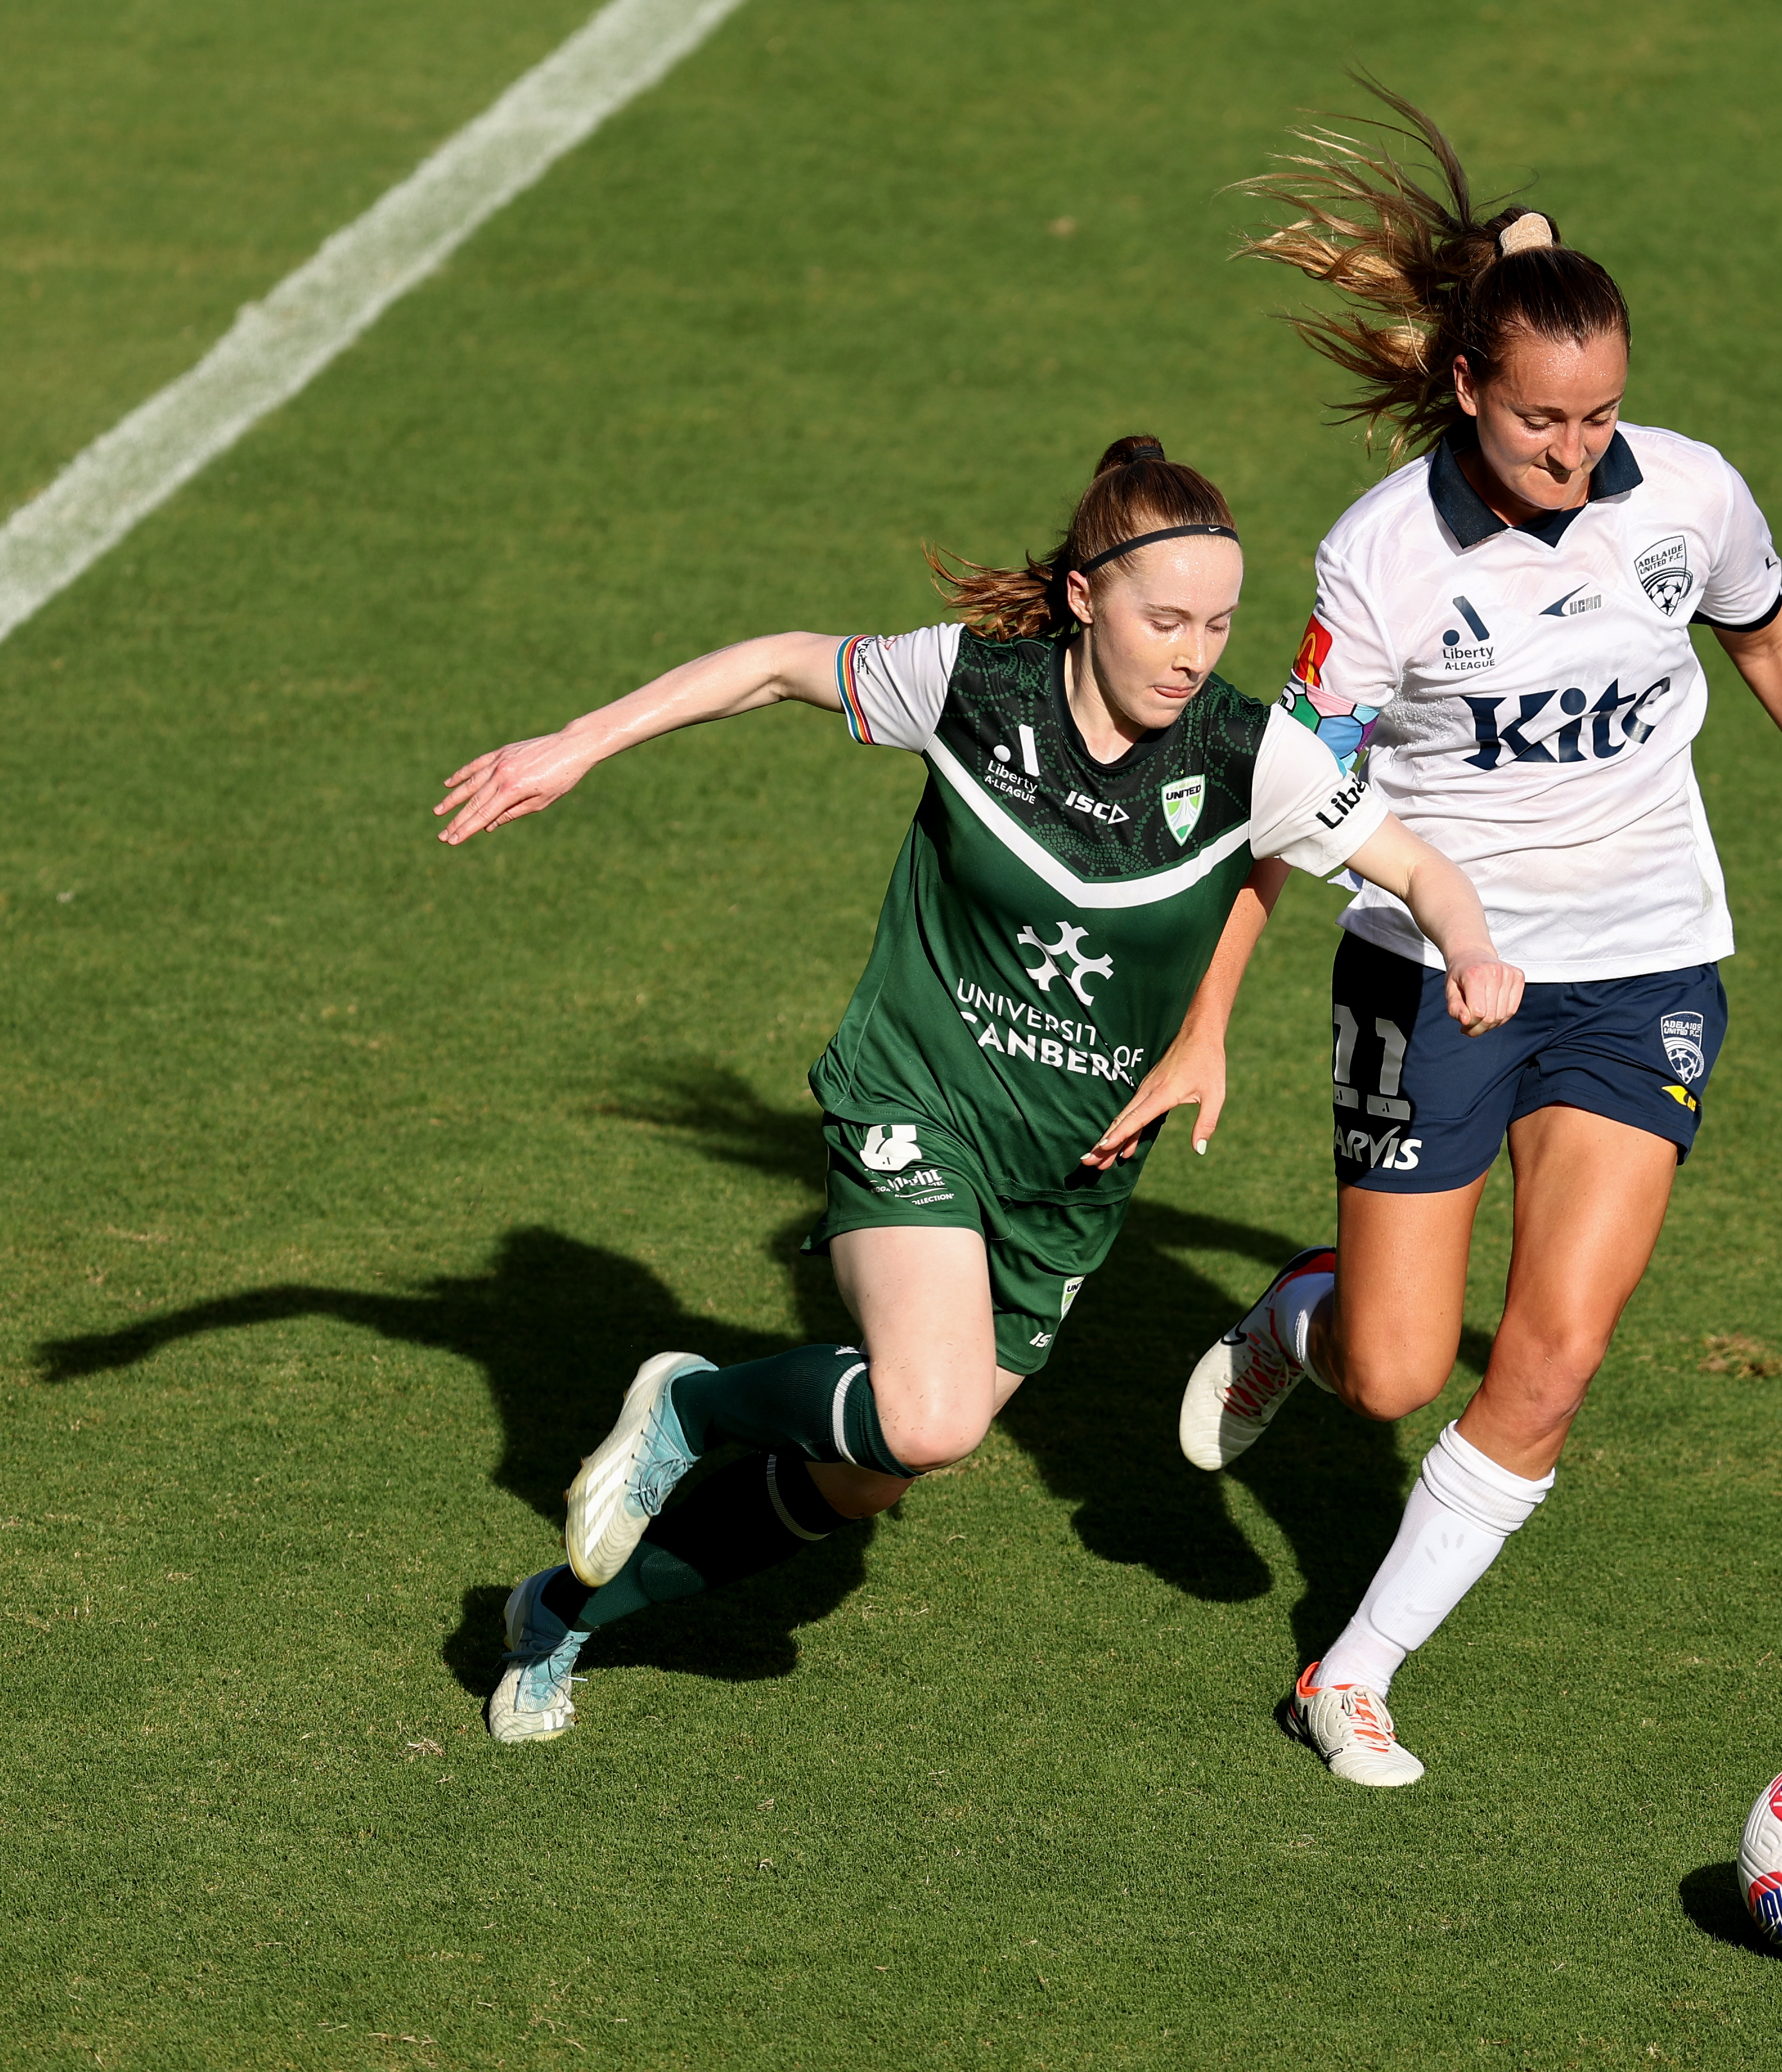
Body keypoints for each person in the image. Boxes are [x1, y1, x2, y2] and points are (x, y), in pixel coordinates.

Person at [433, 435, 1524, 1743]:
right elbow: (783, 663)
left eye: (1219, 622)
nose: (1193, 650)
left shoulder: (1254, 754)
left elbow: (1419, 870)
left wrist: (1469, 948)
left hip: (1066, 1180)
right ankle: (687, 1404)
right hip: (918, 1100)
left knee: (862, 1480)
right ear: (1082, 599)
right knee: (931, 1414)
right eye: (1164, 618)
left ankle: (558, 1619)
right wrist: (582, 740)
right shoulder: (968, 689)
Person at [1156, 89, 1782, 1786]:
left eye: (1598, 417)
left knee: (1556, 1345)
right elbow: (1295, 798)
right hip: (1430, 970)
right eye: (1537, 425)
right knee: (1386, 1373)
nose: (1575, 454)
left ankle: (1349, 1670)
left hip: (1643, 958)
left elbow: (1772, 639)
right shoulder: (1379, 563)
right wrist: (1210, 1013)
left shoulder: (1689, 498)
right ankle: (1312, 1309)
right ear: (1461, 390)